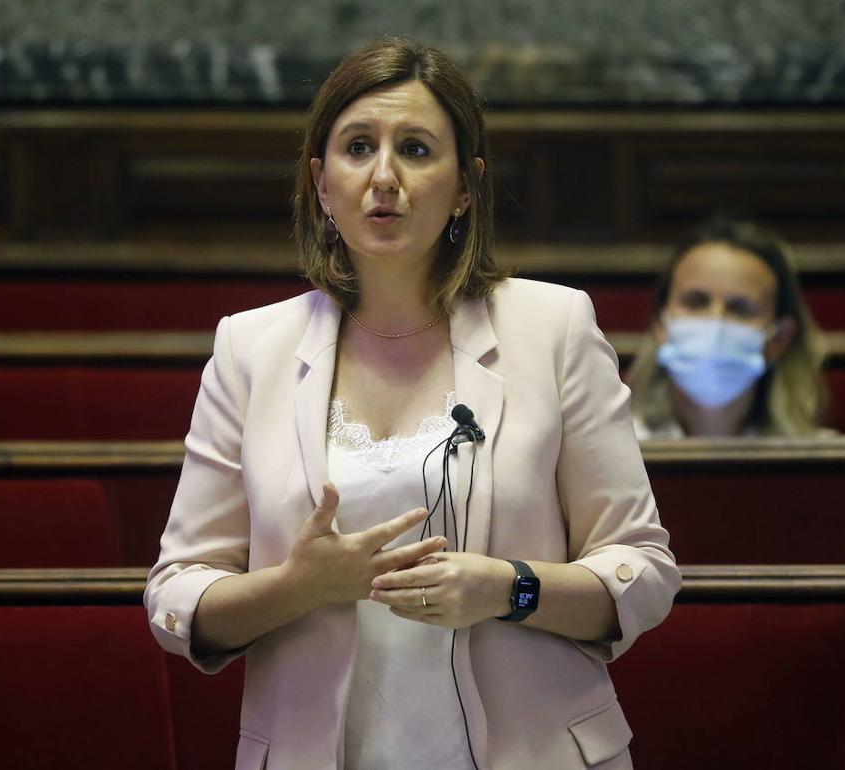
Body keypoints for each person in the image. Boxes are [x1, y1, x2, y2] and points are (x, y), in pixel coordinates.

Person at [144, 37, 679, 770]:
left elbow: (642, 570)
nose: (385, 177)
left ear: (465, 186)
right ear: (322, 184)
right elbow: (177, 595)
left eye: (418, 149)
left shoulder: (552, 328)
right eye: (358, 147)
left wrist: (508, 588)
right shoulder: (251, 349)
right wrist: (297, 589)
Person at [627, 214, 829, 439]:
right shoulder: (619, 453)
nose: (716, 322)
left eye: (740, 309)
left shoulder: (817, 463)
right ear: (660, 322)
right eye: (696, 302)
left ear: (779, 338)